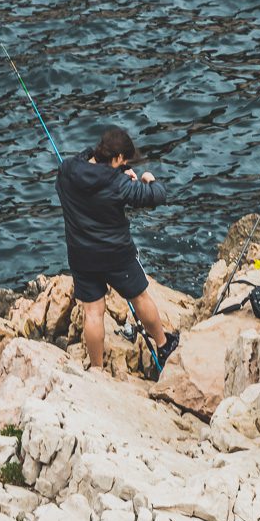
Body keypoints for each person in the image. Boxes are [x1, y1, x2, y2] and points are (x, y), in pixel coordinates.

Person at [55, 126, 179, 371]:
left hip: (81, 255)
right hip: (116, 255)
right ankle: (164, 346)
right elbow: (157, 196)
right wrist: (146, 179)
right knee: (140, 296)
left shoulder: (67, 170)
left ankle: (98, 369)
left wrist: (119, 171)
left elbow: (83, 161)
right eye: (124, 160)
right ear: (118, 158)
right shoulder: (118, 185)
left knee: (93, 312)